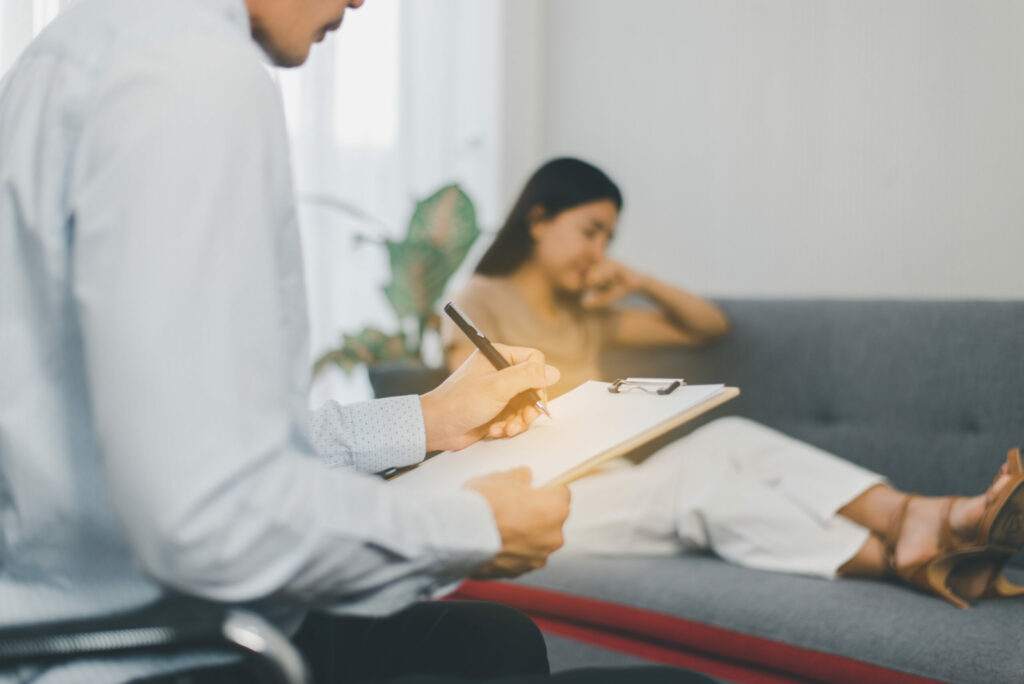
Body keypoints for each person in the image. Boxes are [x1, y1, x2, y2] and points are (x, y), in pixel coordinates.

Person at [0, 2, 716, 683]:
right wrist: (472, 525)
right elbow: (207, 517)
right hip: (165, 648)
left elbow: (191, 440)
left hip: (94, 611)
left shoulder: (76, 49)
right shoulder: (189, 76)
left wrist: (428, 419)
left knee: (499, 637)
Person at [442, 157, 1024, 608]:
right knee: (702, 488)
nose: (598, 251)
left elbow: (708, 327)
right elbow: (471, 413)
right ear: (538, 219)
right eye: (591, 231)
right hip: (544, 497)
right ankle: (900, 555)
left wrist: (635, 277)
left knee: (731, 439)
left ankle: (916, 517)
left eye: (608, 239)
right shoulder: (478, 302)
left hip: (614, 481)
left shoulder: (585, 313)